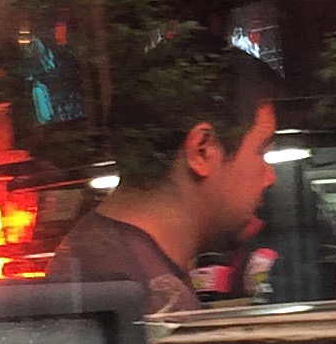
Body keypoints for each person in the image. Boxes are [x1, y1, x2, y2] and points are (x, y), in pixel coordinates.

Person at [52, 37, 278, 315]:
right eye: (261, 151)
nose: (270, 177)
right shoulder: (149, 300)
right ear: (202, 150)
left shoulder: (105, 260)